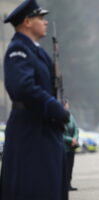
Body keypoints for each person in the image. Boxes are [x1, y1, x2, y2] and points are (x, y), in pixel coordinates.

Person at [0, 0, 69, 199]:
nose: (45, 22)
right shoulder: (18, 50)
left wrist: (58, 104)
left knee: (51, 187)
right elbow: (23, 88)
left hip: (43, 127)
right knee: (35, 188)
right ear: (27, 22)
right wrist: (52, 106)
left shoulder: (36, 50)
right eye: (40, 18)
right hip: (30, 131)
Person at [63, 100, 79, 191]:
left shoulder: (71, 116)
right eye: (66, 104)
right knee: (64, 167)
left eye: (67, 104)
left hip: (71, 147)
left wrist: (75, 138)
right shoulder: (59, 117)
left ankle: (69, 184)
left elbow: (76, 128)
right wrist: (71, 139)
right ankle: (64, 185)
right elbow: (60, 134)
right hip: (64, 147)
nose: (67, 106)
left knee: (70, 166)